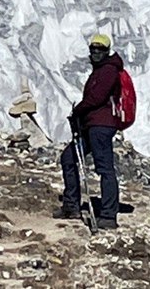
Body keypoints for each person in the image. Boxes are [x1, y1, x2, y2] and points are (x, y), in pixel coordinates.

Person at [53, 33, 123, 229]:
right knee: (69, 158)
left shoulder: (108, 71)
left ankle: (108, 216)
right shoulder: (102, 70)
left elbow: (97, 98)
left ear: (106, 51)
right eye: (93, 49)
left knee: (104, 168)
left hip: (100, 126)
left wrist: (78, 110)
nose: (95, 53)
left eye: (99, 49)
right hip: (92, 125)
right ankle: (71, 205)